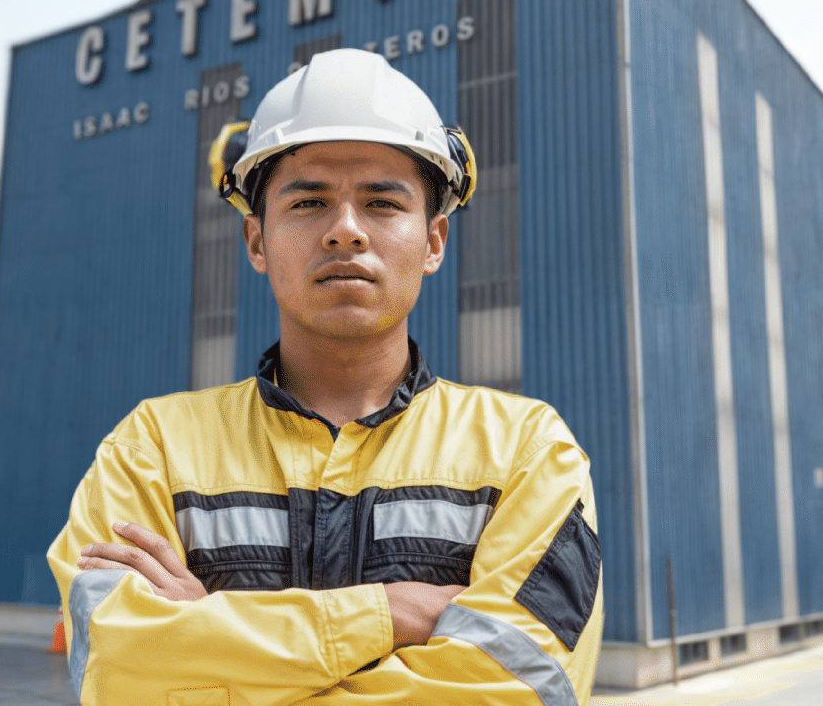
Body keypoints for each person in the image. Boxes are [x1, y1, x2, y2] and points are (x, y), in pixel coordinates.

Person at [47, 48, 603, 705]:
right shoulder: (152, 450)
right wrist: (388, 614)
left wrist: (209, 638)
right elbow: (115, 672)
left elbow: (519, 687)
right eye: (309, 201)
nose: (345, 231)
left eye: (382, 203)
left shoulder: (527, 452)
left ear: (434, 241)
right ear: (257, 241)